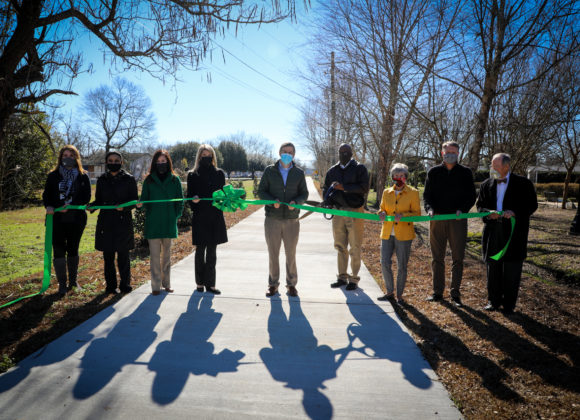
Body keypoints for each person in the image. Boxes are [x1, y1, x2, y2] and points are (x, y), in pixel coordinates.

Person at [477, 153, 538, 314]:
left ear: (506, 166)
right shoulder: (485, 184)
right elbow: (480, 207)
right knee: (493, 267)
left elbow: (532, 205)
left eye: (495, 166)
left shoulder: (524, 183)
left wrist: (514, 212)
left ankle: (509, 304)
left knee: (512, 269)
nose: (492, 169)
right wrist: (488, 212)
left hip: (514, 233)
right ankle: (493, 301)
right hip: (492, 231)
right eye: (491, 165)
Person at [423, 141, 476, 307]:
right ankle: (437, 292)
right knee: (437, 258)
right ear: (442, 153)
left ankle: (455, 294)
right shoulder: (433, 172)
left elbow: (471, 196)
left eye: (453, 152)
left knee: (457, 258)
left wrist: (463, 209)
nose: (450, 155)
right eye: (447, 152)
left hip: (457, 220)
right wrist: (429, 209)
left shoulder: (466, 173)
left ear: (458, 154)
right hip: (437, 219)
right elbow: (427, 196)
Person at [258, 142, 308, 297]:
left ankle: (291, 285)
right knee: (273, 253)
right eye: (285, 151)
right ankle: (273, 285)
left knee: (290, 253)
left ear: (294, 154)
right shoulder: (269, 171)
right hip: (272, 218)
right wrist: (272, 200)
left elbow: (304, 194)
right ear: (279, 153)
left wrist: (297, 203)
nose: (287, 154)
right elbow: (261, 192)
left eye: (291, 152)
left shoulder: (299, 173)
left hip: (292, 220)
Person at [42, 145, 91, 296]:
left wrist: (72, 205)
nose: (67, 158)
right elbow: (47, 195)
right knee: (58, 250)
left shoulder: (83, 176)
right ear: (60, 158)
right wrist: (52, 206)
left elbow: (86, 197)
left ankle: (73, 281)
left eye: (71, 155)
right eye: (64, 155)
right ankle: (62, 284)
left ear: (76, 157)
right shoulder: (53, 175)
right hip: (57, 219)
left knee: (73, 248)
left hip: (76, 219)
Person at [322, 143, 369, 291]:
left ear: (351, 153)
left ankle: (354, 279)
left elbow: (364, 188)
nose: (344, 154)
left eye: (346, 151)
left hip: (355, 211)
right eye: (341, 152)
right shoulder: (332, 171)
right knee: (340, 245)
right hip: (338, 212)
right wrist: (327, 202)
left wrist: (344, 188)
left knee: (355, 246)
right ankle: (342, 277)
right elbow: (326, 188)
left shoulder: (360, 168)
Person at [90, 151, 138, 294]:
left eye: (116, 160)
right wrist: (92, 206)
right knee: (108, 257)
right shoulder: (102, 180)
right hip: (106, 223)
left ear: (121, 162)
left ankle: (125, 285)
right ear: (106, 162)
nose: (113, 163)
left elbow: (134, 201)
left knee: (123, 256)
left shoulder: (129, 179)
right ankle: (111, 287)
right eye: (110, 160)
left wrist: (125, 206)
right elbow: (99, 200)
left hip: (123, 223)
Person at [137, 150, 183, 296]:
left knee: (167, 256)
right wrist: (141, 204)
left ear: (168, 162)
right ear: (155, 163)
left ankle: (167, 283)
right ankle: (156, 286)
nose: (161, 164)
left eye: (164, 161)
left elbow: (180, 201)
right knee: (155, 257)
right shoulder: (149, 180)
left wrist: (175, 216)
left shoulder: (175, 180)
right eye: (159, 161)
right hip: (154, 223)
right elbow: (145, 201)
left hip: (169, 223)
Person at [377, 164, 421, 304]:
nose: (398, 178)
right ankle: (389, 291)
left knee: (402, 265)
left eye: (401, 175)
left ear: (406, 177)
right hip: (387, 233)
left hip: (404, 234)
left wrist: (404, 215)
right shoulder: (386, 192)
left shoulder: (413, 192)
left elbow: (417, 214)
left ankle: (399, 296)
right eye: (395, 176)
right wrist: (381, 213)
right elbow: (382, 208)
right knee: (384, 262)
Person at [186, 144, 227, 295]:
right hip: (200, 217)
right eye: (203, 155)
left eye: (209, 155)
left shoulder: (219, 174)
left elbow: (223, 195)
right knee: (200, 251)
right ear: (199, 157)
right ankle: (199, 283)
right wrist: (194, 199)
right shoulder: (192, 174)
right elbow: (189, 195)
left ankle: (211, 284)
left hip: (215, 217)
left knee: (212, 252)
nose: (206, 157)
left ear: (213, 156)